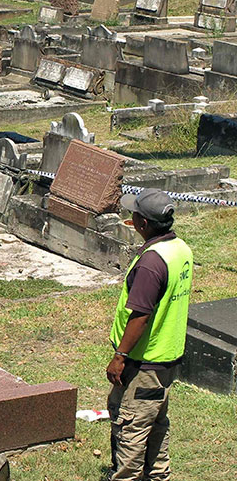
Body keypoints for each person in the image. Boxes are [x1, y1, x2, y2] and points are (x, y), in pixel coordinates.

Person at [106, 188, 192, 481]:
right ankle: (158, 475)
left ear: (143, 223)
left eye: (135, 214)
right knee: (155, 424)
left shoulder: (151, 263)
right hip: (167, 358)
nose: (131, 217)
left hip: (143, 362)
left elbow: (140, 316)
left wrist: (120, 356)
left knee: (130, 427)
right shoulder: (180, 248)